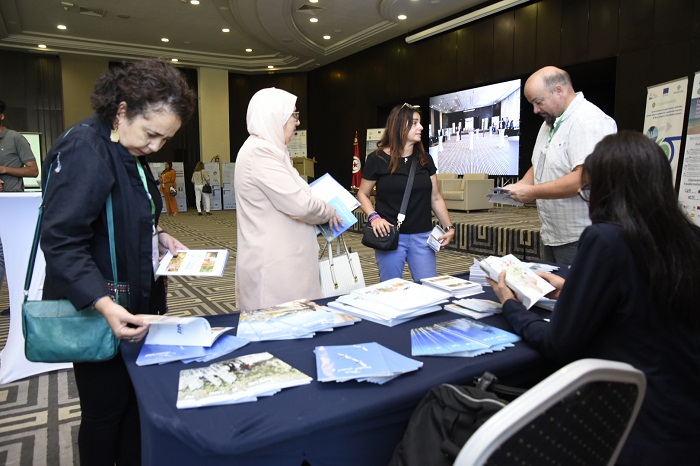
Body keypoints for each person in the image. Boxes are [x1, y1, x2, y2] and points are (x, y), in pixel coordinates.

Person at [488, 131, 700, 465]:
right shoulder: (687, 237)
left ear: (606, 189)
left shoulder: (607, 238)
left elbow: (559, 344)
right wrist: (572, 288)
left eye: (588, 189)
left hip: (635, 427)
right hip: (685, 416)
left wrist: (510, 305)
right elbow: (643, 301)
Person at [40, 59, 196, 466]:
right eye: (151, 134)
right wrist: (105, 305)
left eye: (166, 139)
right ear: (122, 109)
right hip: (103, 310)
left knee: (134, 408)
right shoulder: (85, 147)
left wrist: (158, 236)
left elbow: (128, 215)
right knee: (106, 414)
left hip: (134, 305)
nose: (156, 147)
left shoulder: (127, 150)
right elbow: (61, 241)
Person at [234, 87, 341, 311]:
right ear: (275, 116)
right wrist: (328, 211)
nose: (297, 122)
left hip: (285, 265)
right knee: (281, 332)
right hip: (275, 268)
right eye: (294, 115)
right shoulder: (260, 152)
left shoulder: (272, 150)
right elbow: (300, 204)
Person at [506, 66, 617, 266]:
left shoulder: (588, 121)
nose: (536, 110)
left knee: (578, 295)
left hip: (581, 235)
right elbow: (542, 162)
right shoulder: (551, 121)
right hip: (553, 233)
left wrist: (532, 192)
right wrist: (520, 185)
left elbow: (584, 179)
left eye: (538, 102)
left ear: (559, 90)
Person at [357, 103, 455, 282]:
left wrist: (448, 227)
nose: (421, 127)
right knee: (391, 290)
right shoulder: (377, 159)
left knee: (430, 289)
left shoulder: (425, 159)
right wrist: (374, 217)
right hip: (391, 236)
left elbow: (435, 197)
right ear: (400, 125)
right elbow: (363, 193)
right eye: (415, 123)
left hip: (423, 237)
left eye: (420, 122)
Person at [0, 99, 39, 300]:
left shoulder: (15, 139)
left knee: (9, 255)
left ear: (2, 115)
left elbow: (34, 170)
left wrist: (5, 170)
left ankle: (19, 301)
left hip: (11, 206)